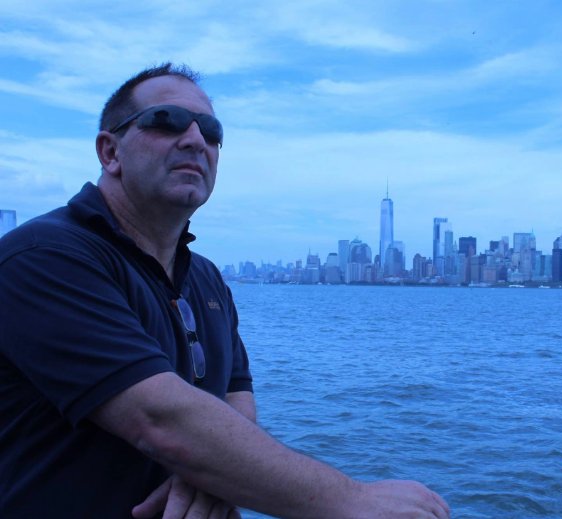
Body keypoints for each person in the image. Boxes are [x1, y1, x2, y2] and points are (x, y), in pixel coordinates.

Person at [0, 63, 450, 519]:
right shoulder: (43, 257)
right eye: (167, 120)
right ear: (110, 151)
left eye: (211, 131)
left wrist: (209, 473)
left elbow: (235, 396)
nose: (196, 139)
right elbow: (158, 417)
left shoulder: (207, 278)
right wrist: (352, 500)